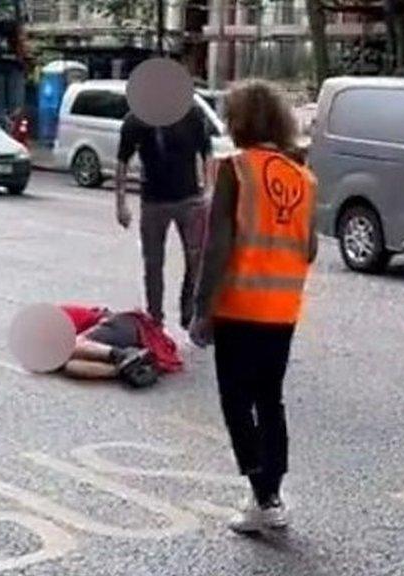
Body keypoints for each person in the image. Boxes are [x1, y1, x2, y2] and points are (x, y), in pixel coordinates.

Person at [189, 80, 317, 534]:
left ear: (239, 121)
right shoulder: (303, 176)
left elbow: (217, 246)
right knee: (270, 399)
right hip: (282, 310)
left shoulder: (235, 170)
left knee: (235, 400)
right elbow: (311, 248)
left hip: (240, 305)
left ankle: (261, 494)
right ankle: (272, 494)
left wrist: (202, 308)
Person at [116, 104, 212, 329]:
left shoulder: (191, 114)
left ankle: (189, 308)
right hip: (153, 202)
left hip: (189, 199)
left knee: (196, 258)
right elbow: (122, 161)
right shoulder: (136, 119)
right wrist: (121, 203)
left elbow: (207, 152)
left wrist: (208, 191)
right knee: (153, 264)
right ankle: (155, 319)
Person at [60, 304, 184, 388]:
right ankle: (131, 369)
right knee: (71, 367)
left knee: (70, 346)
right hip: (107, 341)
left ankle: (123, 355)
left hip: (122, 325)